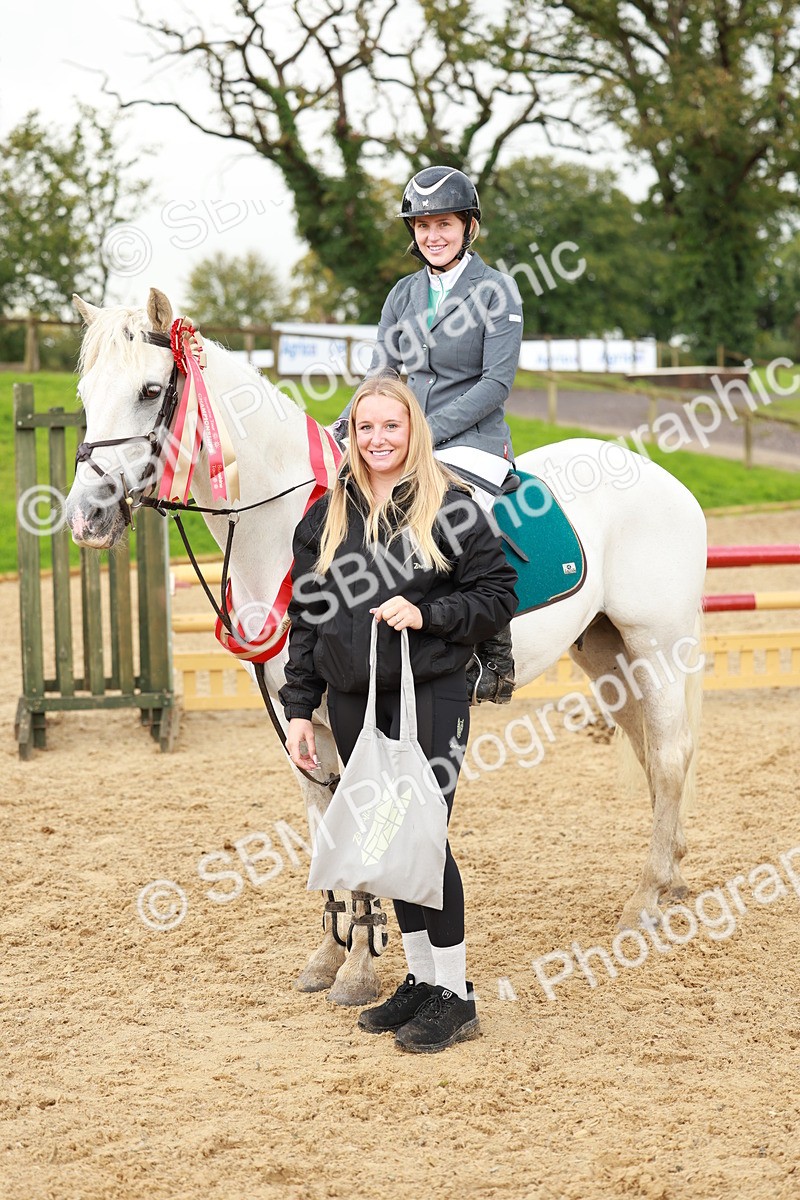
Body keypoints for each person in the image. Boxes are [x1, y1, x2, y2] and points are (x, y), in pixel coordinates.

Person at [280, 374, 518, 1054]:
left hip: (431, 693)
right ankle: (420, 978)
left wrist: (428, 613)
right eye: (366, 427)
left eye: (391, 426)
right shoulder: (327, 515)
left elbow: (498, 593)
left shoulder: (451, 507)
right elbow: (307, 619)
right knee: (386, 837)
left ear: (413, 429)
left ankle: (456, 995)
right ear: (352, 435)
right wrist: (300, 708)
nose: (378, 439)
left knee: (422, 836)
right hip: (354, 699)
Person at [332, 165, 523, 703]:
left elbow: (496, 383)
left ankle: (494, 654)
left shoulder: (497, 290)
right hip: (405, 436)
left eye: (444, 224)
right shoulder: (403, 294)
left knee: (459, 510)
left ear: (468, 227)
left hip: (473, 440)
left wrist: (424, 432)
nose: (433, 236)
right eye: (422, 226)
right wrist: (345, 424)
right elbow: (382, 375)